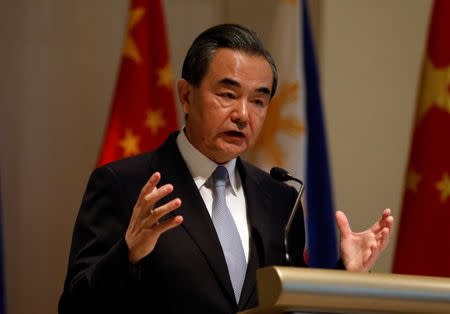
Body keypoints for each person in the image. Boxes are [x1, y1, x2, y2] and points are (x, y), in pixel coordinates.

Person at [58, 23, 393, 314]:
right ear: (186, 96)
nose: (243, 115)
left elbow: (291, 306)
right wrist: (127, 253)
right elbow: (75, 307)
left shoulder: (279, 200)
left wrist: (347, 273)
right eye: (228, 94)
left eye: (258, 101)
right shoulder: (124, 185)